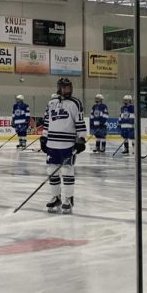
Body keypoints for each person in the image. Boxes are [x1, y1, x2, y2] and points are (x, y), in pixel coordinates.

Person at [40, 78, 87, 214]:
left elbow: (80, 123)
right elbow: (47, 122)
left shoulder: (75, 103)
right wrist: (43, 137)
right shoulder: (51, 103)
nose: (67, 90)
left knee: (67, 170)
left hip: (67, 144)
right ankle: (56, 198)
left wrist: (81, 139)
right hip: (52, 143)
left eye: (69, 87)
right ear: (59, 88)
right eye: (64, 88)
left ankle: (68, 198)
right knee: (52, 170)